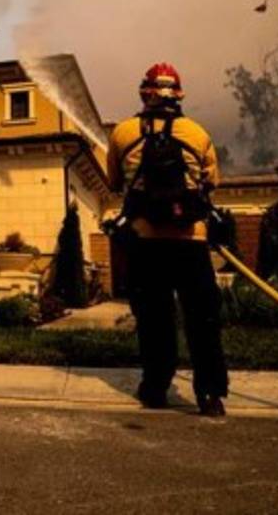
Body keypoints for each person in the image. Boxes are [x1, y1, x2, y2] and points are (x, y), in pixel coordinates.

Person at [106, 62, 228, 416]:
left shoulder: (123, 133)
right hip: (192, 242)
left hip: (145, 242)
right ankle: (210, 395)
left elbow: (115, 183)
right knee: (203, 320)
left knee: (154, 319)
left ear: (144, 93)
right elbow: (211, 184)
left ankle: (156, 389)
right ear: (179, 94)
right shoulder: (198, 133)